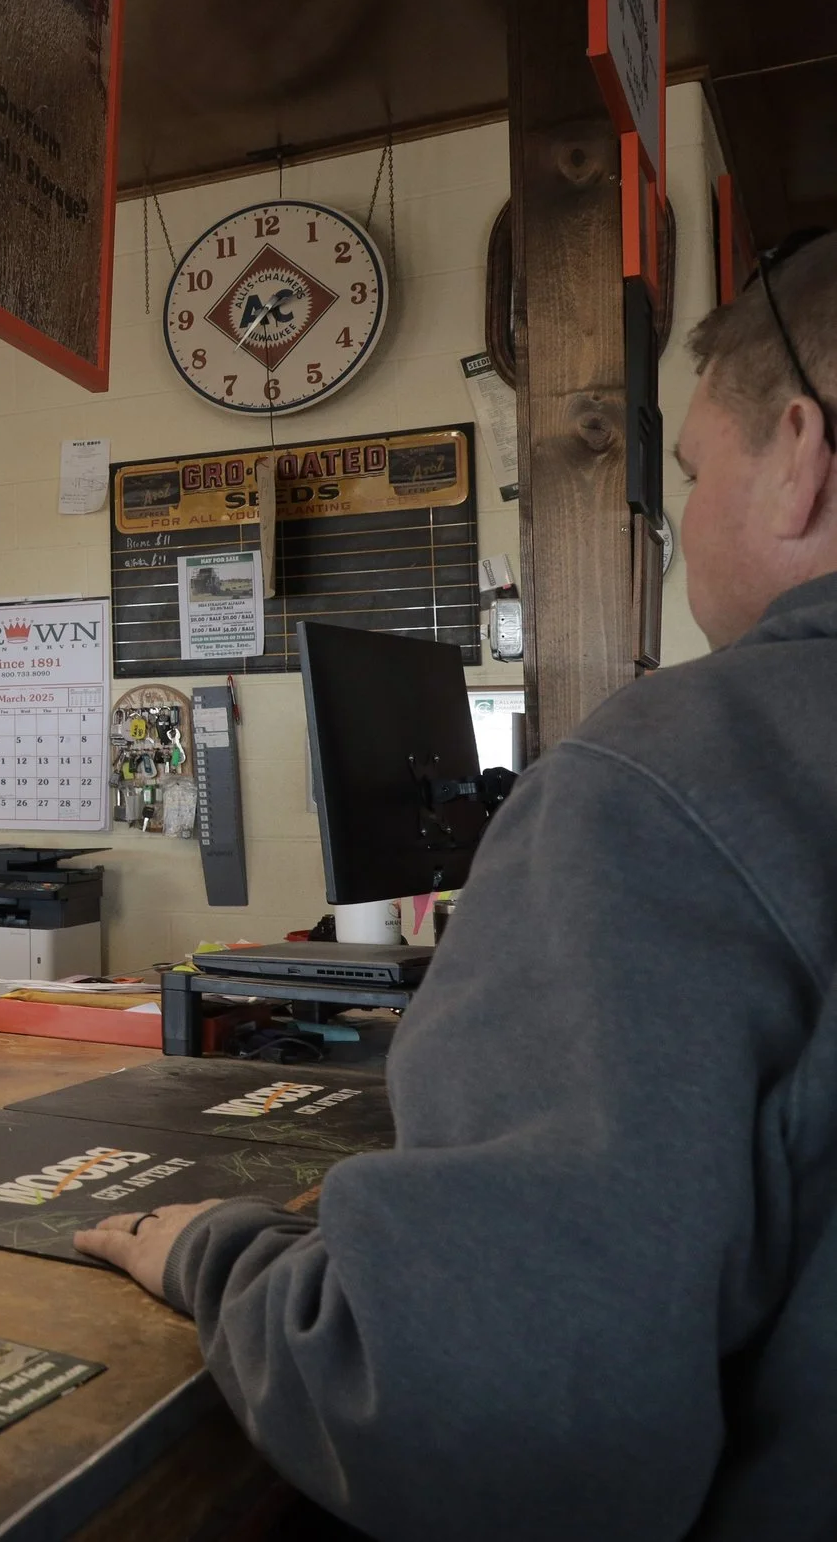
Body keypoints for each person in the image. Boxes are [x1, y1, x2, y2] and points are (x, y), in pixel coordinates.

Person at [74, 230, 837, 1540]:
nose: (682, 526)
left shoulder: (670, 775)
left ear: (800, 458)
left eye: (697, 473)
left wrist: (216, 1250)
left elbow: (471, 1413)